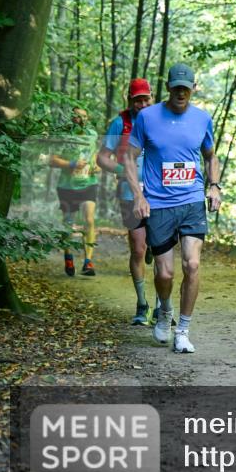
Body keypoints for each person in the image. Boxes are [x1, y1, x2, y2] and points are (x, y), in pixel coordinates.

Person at [124, 63, 222, 354]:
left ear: (193, 89)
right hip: (160, 205)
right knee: (164, 274)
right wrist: (138, 196)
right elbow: (129, 158)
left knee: (192, 264)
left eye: (186, 88)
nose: (181, 92)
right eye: (176, 87)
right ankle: (165, 310)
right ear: (167, 87)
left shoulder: (203, 119)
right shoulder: (147, 117)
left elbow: (210, 156)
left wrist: (214, 185)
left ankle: (183, 329)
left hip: (191, 201)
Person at [98, 78, 155, 325]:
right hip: (129, 193)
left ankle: (164, 306)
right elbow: (102, 158)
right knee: (138, 247)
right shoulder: (120, 123)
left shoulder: (160, 120)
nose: (142, 104)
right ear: (129, 100)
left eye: (146, 98)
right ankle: (142, 303)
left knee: (162, 247)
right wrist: (122, 170)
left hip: (159, 193)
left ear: (151, 98)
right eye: (137, 99)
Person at [49, 107, 99, 277]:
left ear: (88, 118)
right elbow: (52, 160)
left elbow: (94, 156)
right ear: (72, 118)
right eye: (76, 116)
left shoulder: (92, 134)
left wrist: (96, 166)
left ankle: (88, 262)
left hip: (88, 184)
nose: (80, 118)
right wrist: (71, 164)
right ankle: (68, 256)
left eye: (83, 116)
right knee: (68, 223)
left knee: (89, 220)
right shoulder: (63, 136)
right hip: (67, 186)